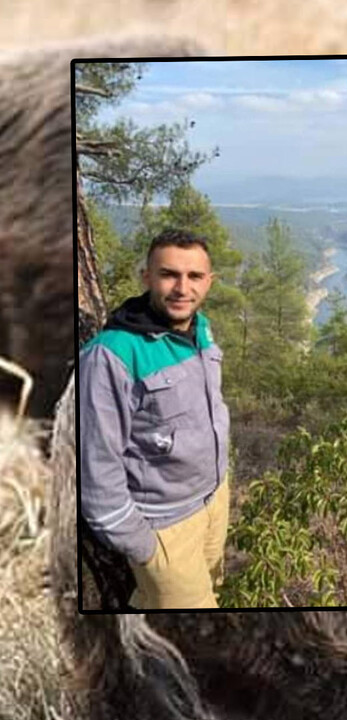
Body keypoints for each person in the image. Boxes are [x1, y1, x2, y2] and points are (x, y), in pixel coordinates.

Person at [79, 228, 231, 609]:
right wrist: (143, 546)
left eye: (195, 276)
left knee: (213, 591)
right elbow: (97, 469)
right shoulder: (111, 356)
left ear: (209, 282)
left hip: (215, 500)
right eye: (169, 274)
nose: (182, 288)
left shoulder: (201, 328)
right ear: (146, 277)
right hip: (166, 526)